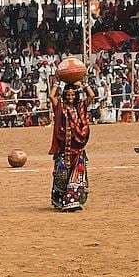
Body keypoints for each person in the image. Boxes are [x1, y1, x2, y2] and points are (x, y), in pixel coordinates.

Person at [49, 76, 94, 211]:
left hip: (77, 150)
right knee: (61, 176)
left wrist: (84, 83)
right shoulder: (60, 107)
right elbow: (52, 96)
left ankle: (72, 201)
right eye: (68, 95)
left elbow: (92, 95)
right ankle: (59, 199)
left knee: (77, 175)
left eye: (72, 95)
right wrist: (58, 82)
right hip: (64, 150)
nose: (70, 97)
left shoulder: (81, 107)